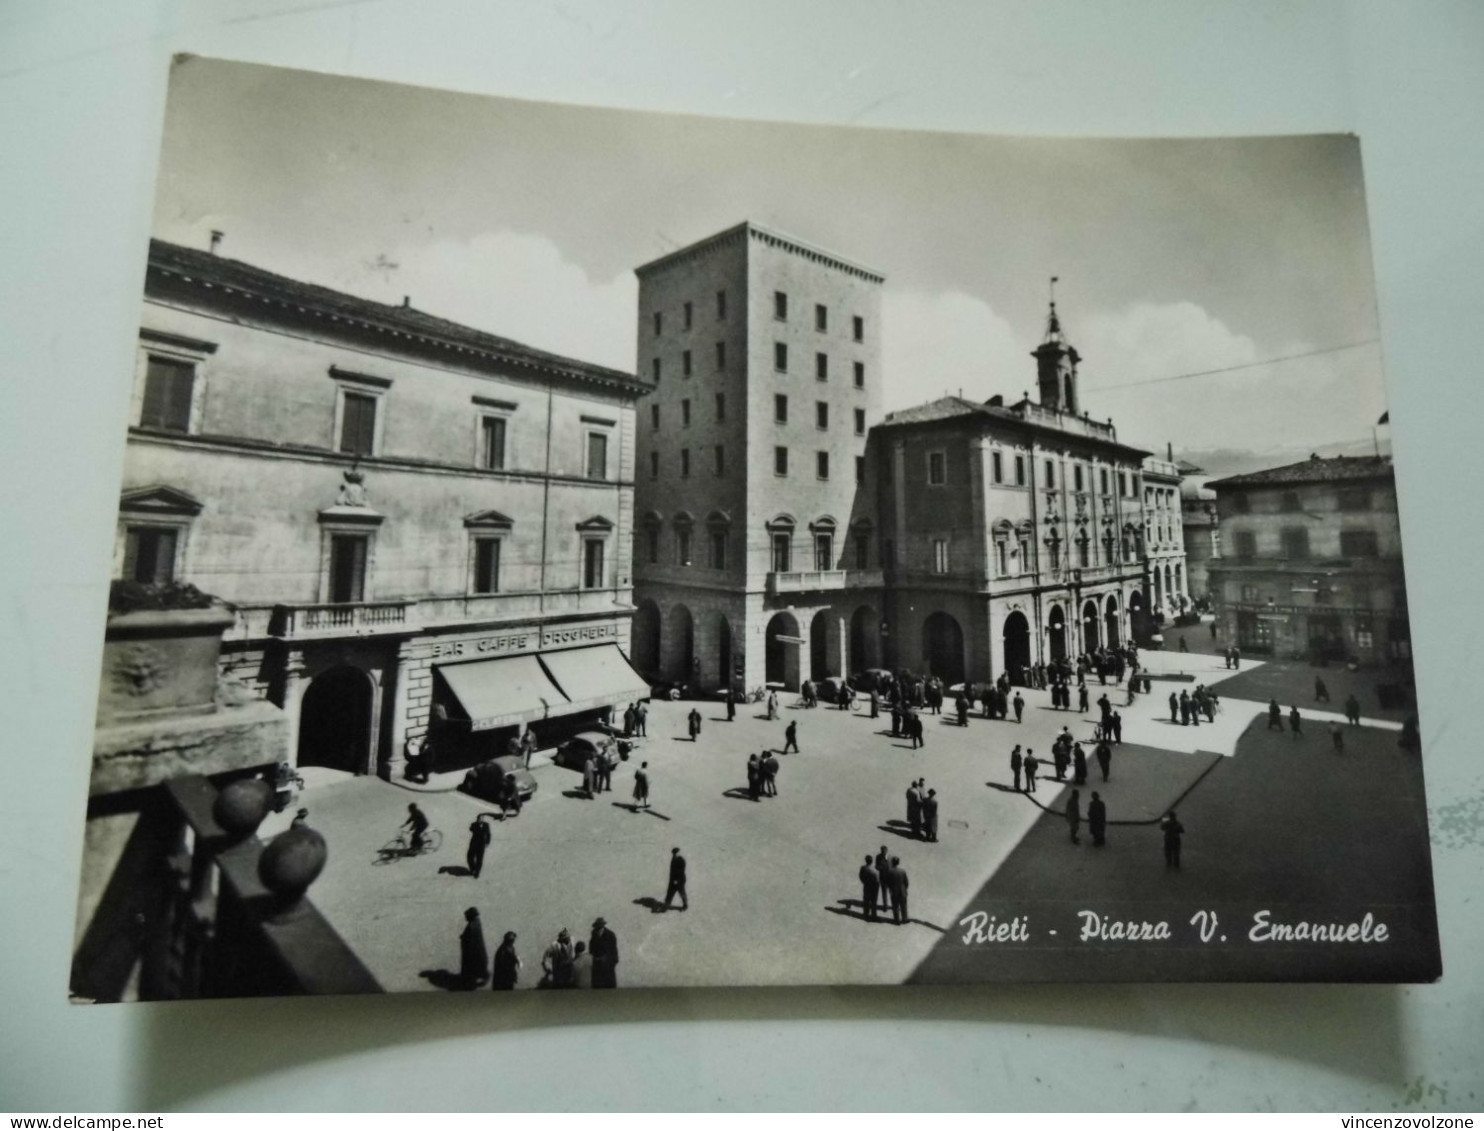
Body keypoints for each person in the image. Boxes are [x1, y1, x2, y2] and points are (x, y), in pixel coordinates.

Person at [459, 907, 489, 990]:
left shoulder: (472, 925)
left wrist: (463, 938)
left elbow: (470, 940)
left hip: (472, 953)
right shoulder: (476, 922)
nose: (465, 917)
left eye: (466, 916)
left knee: (472, 967)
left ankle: (470, 983)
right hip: (476, 951)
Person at [589, 918, 619, 988]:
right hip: (597, 964)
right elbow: (591, 949)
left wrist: (609, 960)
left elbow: (613, 950)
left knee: (608, 985)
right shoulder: (594, 935)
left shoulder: (610, 935)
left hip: (608, 964)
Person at [887, 856, 910, 925]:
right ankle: (904, 919)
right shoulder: (902, 871)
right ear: (898, 863)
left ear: (892, 863)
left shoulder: (890, 871)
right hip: (902, 891)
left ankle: (897, 920)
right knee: (903, 905)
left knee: (895, 906)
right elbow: (906, 882)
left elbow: (888, 882)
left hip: (894, 891)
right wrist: (904, 889)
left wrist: (890, 889)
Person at [858, 855, 880, 920]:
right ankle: (874, 915)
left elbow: (860, 876)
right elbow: (878, 878)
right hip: (875, 886)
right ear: (872, 861)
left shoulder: (863, 868)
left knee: (866, 900)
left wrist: (864, 882)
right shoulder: (875, 868)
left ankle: (866, 914)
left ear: (866, 861)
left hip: (867, 885)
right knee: (874, 901)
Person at [875, 846, 893, 915]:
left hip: (890, 877)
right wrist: (881, 868)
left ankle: (893, 906)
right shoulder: (878, 857)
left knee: (892, 892)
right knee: (884, 893)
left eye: (885, 851)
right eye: (882, 851)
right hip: (882, 877)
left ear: (887, 851)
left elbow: (893, 866)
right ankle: (885, 906)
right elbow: (876, 866)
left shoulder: (890, 857)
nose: (883, 852)